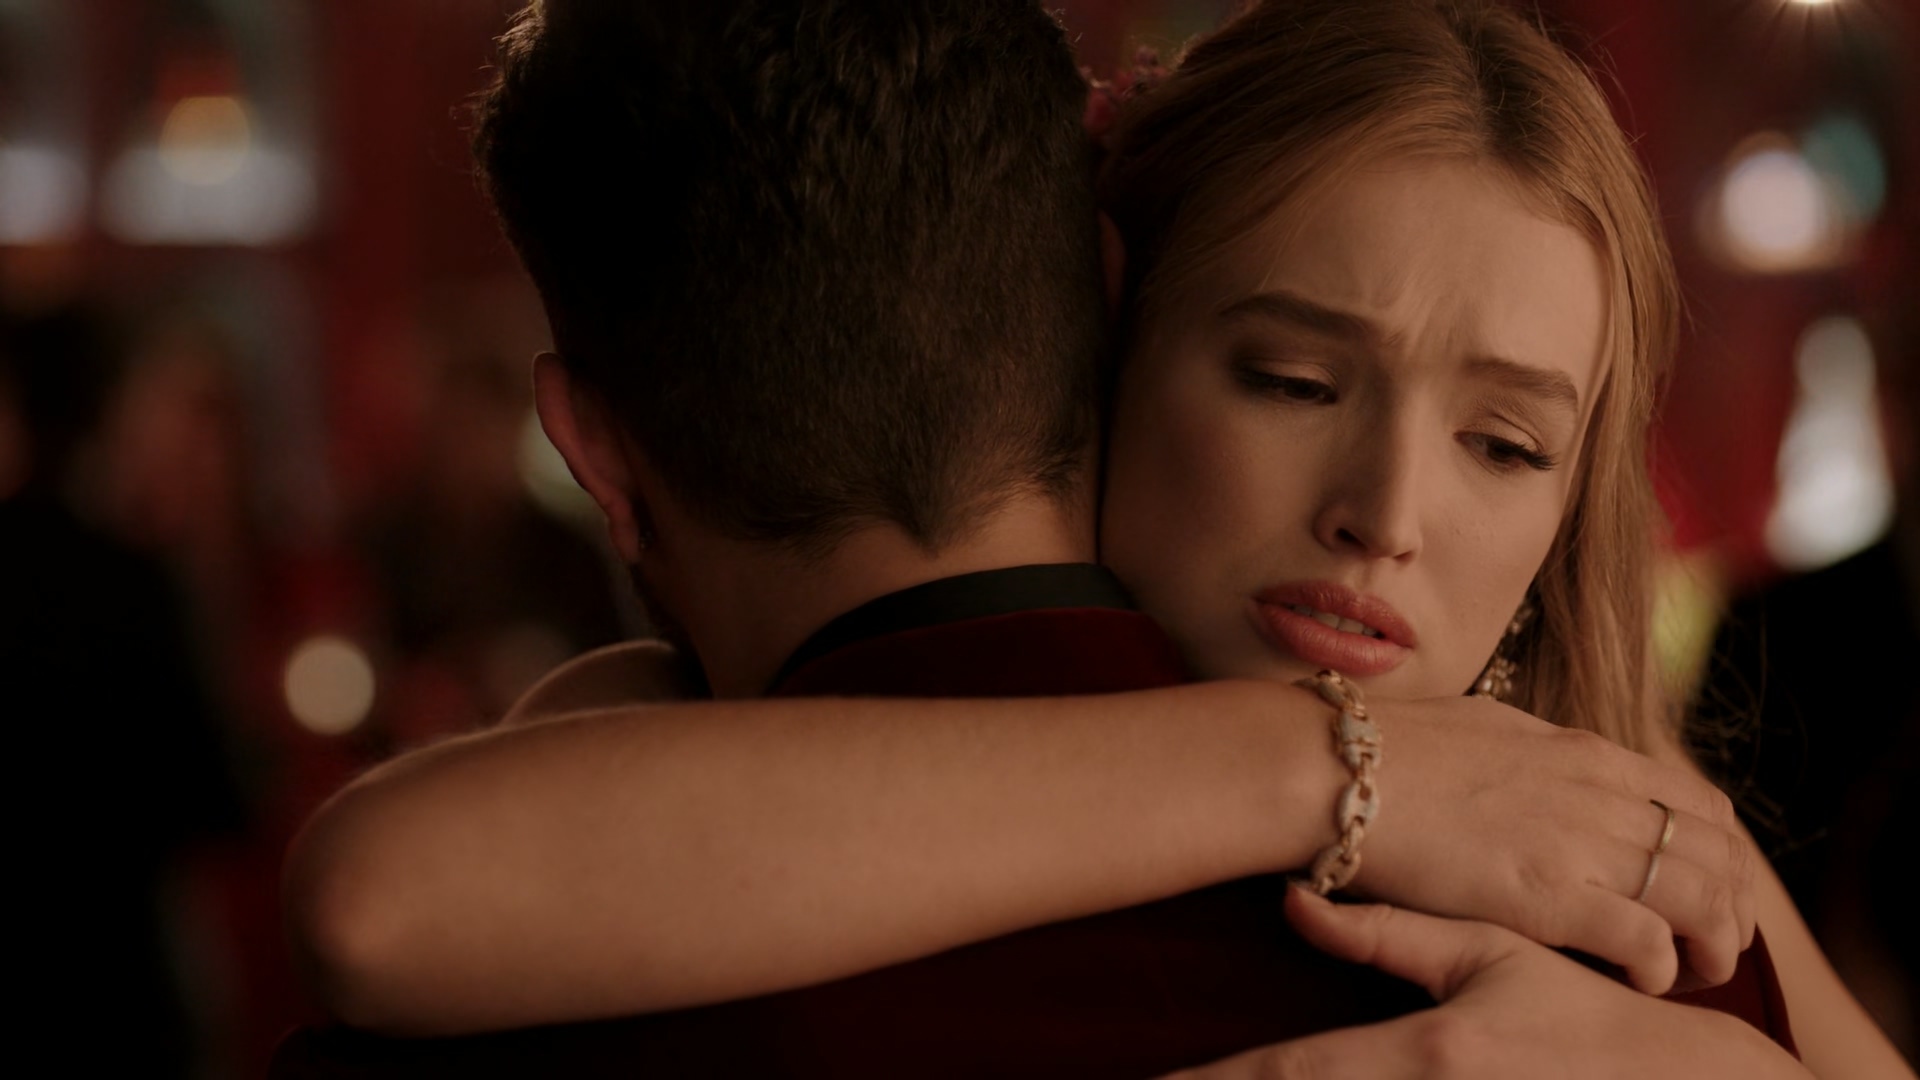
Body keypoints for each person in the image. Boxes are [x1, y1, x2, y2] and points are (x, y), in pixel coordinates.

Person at [277, 0, 1907, 1076]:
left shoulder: (1654, 919)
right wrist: (1356, 770)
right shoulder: (648, 807)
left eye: (1508, 444)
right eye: (1289, 379)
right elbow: (392, 892)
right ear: (1104, 330)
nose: (1387, 515)